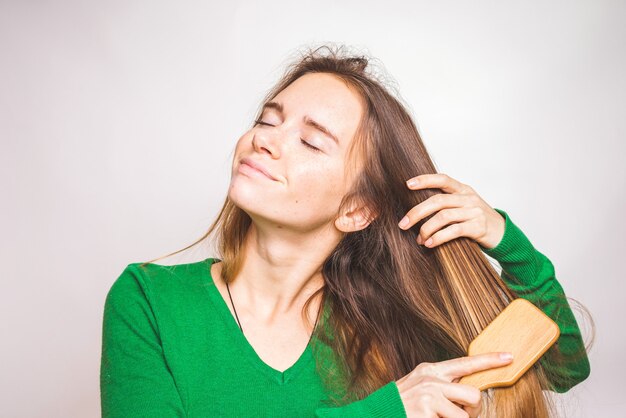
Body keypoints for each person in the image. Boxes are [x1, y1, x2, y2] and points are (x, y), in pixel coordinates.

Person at [100, 44, 592, 417]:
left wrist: (505, 240)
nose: (265, 141)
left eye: (311, 142)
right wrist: (387, 411)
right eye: (267, 121)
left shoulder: (386, 325)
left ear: (357, 210)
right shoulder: (148, 301)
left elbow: (564, 365)